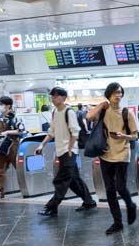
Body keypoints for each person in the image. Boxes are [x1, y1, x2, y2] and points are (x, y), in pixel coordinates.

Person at [36, 87, 96, 218]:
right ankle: (89, 201)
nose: (53, 99)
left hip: (69, 152)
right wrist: (42, 144)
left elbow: (75, 132)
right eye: (52, 96)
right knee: (73, 179)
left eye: (56, 96)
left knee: (61, 180)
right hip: (61, 151)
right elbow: (51, 132)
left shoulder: (69, 112)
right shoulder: (54, 112)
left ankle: (51, 207)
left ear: (63, 97)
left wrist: (69, 149)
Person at [86, 83, 138, 235]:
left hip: (122, 154)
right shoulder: (103, 110)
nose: (118, 95)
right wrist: (101, 105)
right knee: (109, 190)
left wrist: (123, 136)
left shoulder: (127, 113)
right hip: (106, 154)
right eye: (115, 92)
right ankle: (117, 222)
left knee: (120, 187)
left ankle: (130, 205)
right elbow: (89, 116)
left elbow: (135, 135)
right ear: (108, 94)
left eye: (120, 92)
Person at [0, 96, 23, 199]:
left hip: (13, 145)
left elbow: (21, 130)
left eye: (1, 104)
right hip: (2, 145)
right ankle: (0, 193)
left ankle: (25, 190)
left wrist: (7, 132)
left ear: (8, 105)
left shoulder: (15, 117)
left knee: (19, 168)